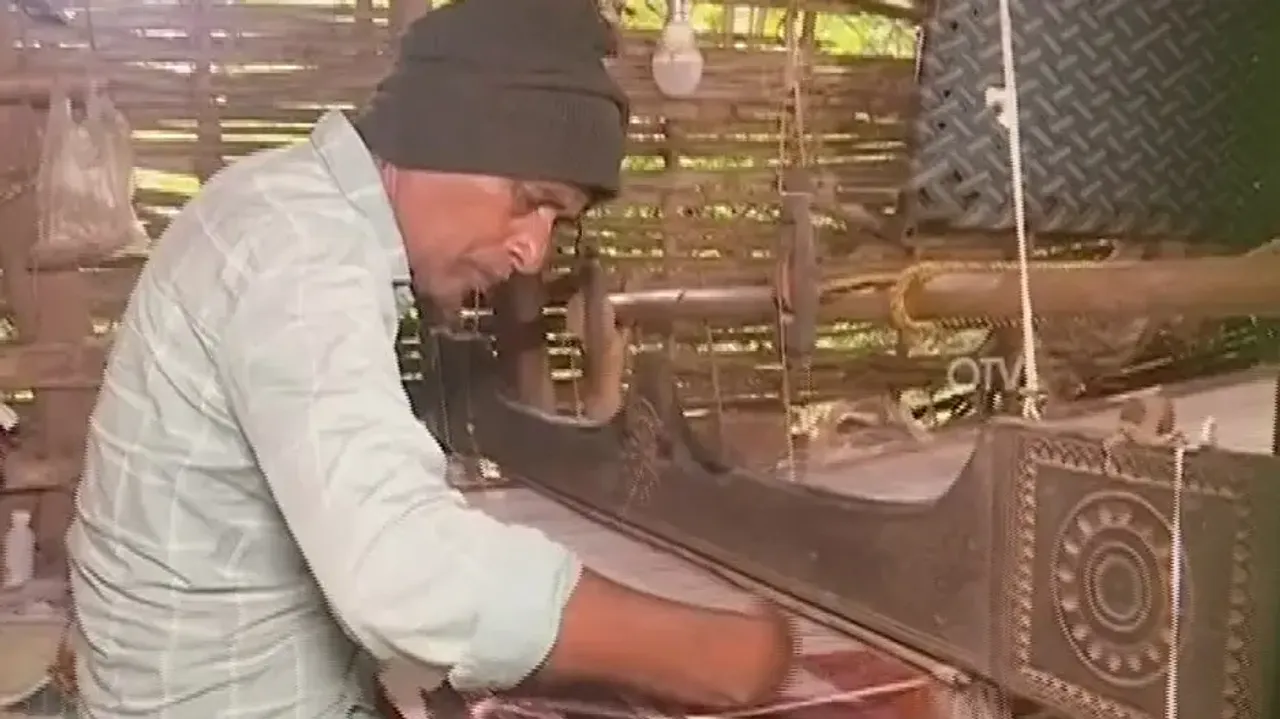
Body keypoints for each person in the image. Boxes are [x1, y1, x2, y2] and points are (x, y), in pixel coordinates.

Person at [64, 0, 795, 716]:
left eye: (556, 221)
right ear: (444, 140)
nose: (533, 250)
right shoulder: (300, 255)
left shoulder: (278, 206)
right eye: (529, 200)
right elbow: (399, 568)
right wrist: (715, 654)